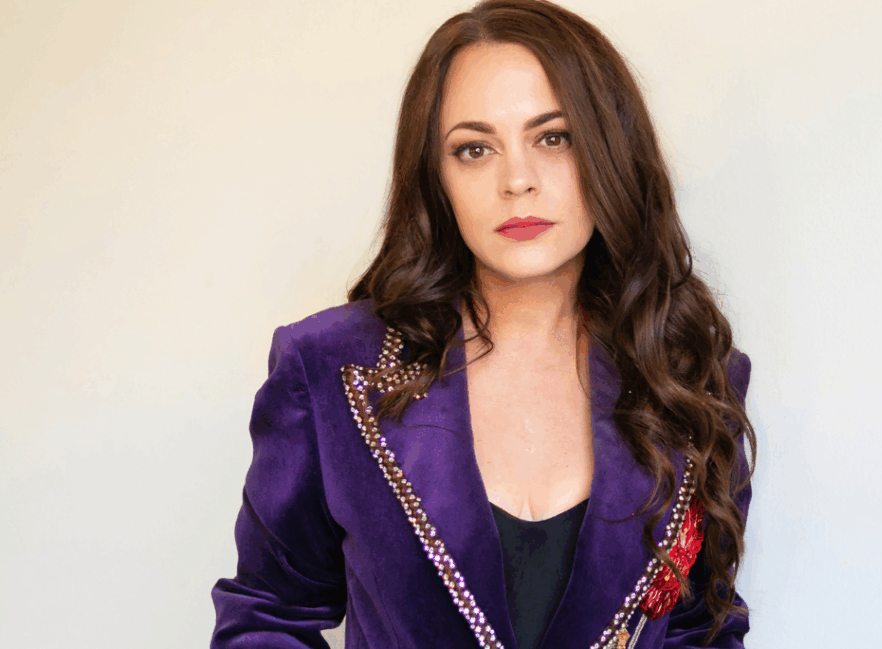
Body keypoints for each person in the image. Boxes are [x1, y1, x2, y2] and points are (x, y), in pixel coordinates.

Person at [210, 1, 757, 647]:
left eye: (554, 138)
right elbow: (269, 612)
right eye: (474, 149)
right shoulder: (328, 365)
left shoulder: (689, 374)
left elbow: (700, 626)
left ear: (610, 149)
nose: (517, 180)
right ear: (435, 177)